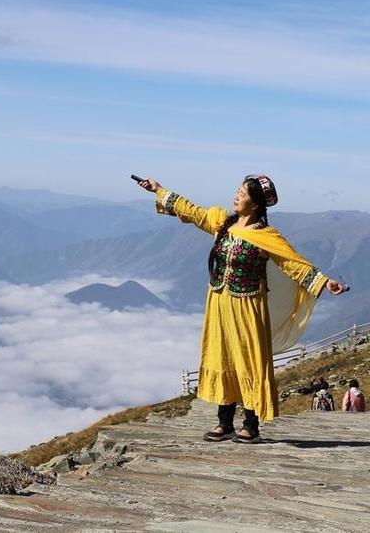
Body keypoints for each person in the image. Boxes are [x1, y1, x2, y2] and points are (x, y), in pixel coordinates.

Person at [136, 174, 347, 443]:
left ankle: (251, 425)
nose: (236, 196)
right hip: (219, 303)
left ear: (256, 204)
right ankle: (225, 423)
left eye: (243, 193)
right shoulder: (224, 222)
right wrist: (159, 190)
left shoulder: (267, 237)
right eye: (237, 191)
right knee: (222, 356)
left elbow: (295, 264)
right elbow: (193, 211)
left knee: (248, 361)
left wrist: (325, 282)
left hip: (248, 306)